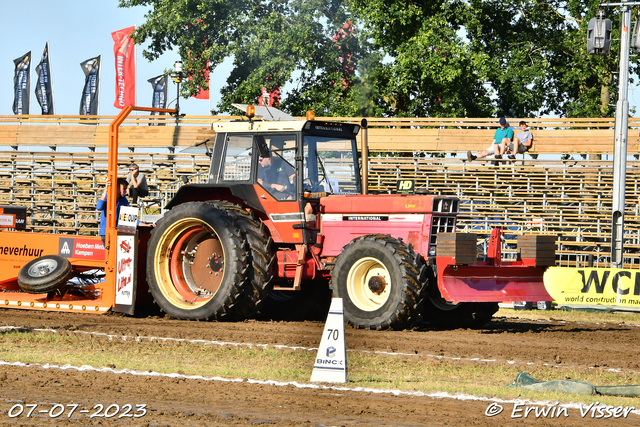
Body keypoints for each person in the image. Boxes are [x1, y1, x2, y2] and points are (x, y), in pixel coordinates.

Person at [96, 177, 130, 245]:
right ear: (117, 188)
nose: (125, 191)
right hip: (106, 233)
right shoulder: (107, 197)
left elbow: (129, 215)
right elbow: (99, 207)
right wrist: (105, 191)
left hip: (118, 232)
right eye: (124, 189)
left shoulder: (124, 200)